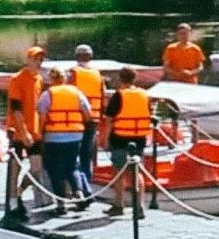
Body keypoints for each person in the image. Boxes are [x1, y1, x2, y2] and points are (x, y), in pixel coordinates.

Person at [37, 67, 92, 211]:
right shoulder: (76, 93)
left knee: (55, 170)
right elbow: (88, 113)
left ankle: (60, 203)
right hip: (75, 136)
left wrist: (40, 134)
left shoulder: (47, 95)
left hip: (53, 137)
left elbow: (42, 118)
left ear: (51, 79)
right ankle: (79, 193)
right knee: (72, 166)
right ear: (65, 78)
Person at [4, 46, 47, 221]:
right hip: (18, 131)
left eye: (41, 59)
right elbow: (16, 109)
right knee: (15, 166)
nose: (38, 61)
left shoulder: (39, 79)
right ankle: (13, 201)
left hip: (35, 130)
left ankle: (20, 192)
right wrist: (24, 131)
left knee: (36, 168)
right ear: (28, 59)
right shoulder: (16, 80)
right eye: (35, 58)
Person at [104, 66, 153, 216]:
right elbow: (149, 114)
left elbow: (109, 119)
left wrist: (105, 139)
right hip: (139, 138)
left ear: (120, 78)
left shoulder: (119, 95)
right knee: (136, 171)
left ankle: (119, 205)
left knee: (119, 171)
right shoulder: (144, 95)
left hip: (120, 138)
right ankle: (139, 206)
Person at [71, 44, 106, 185]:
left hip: (76, 118)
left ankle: (77, 183)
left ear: (76, 56)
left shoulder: (73, 73)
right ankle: (88, 181)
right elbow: (103, 95)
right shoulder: (98, 75)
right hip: (93, 117)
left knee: (73, 152)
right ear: (91, 56)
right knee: (87, 151)